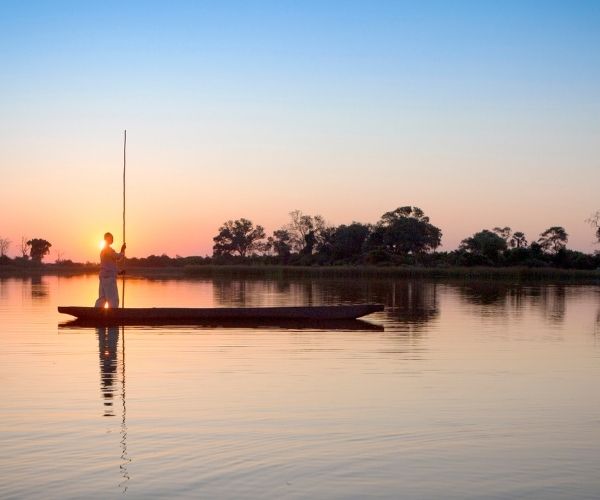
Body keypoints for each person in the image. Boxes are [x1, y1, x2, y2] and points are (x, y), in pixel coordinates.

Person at [94, 232, 126, 308]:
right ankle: (113, 313)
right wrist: (122, 250)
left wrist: (119, 272)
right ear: (108, 239)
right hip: (108, 278)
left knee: (102, 298)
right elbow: (117, 257)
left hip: (103, 277)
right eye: (111, 238)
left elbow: (111, 265)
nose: (113, 239)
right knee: (113, 299)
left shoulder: (105, 250)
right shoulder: (107, 249)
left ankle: (96, 312)